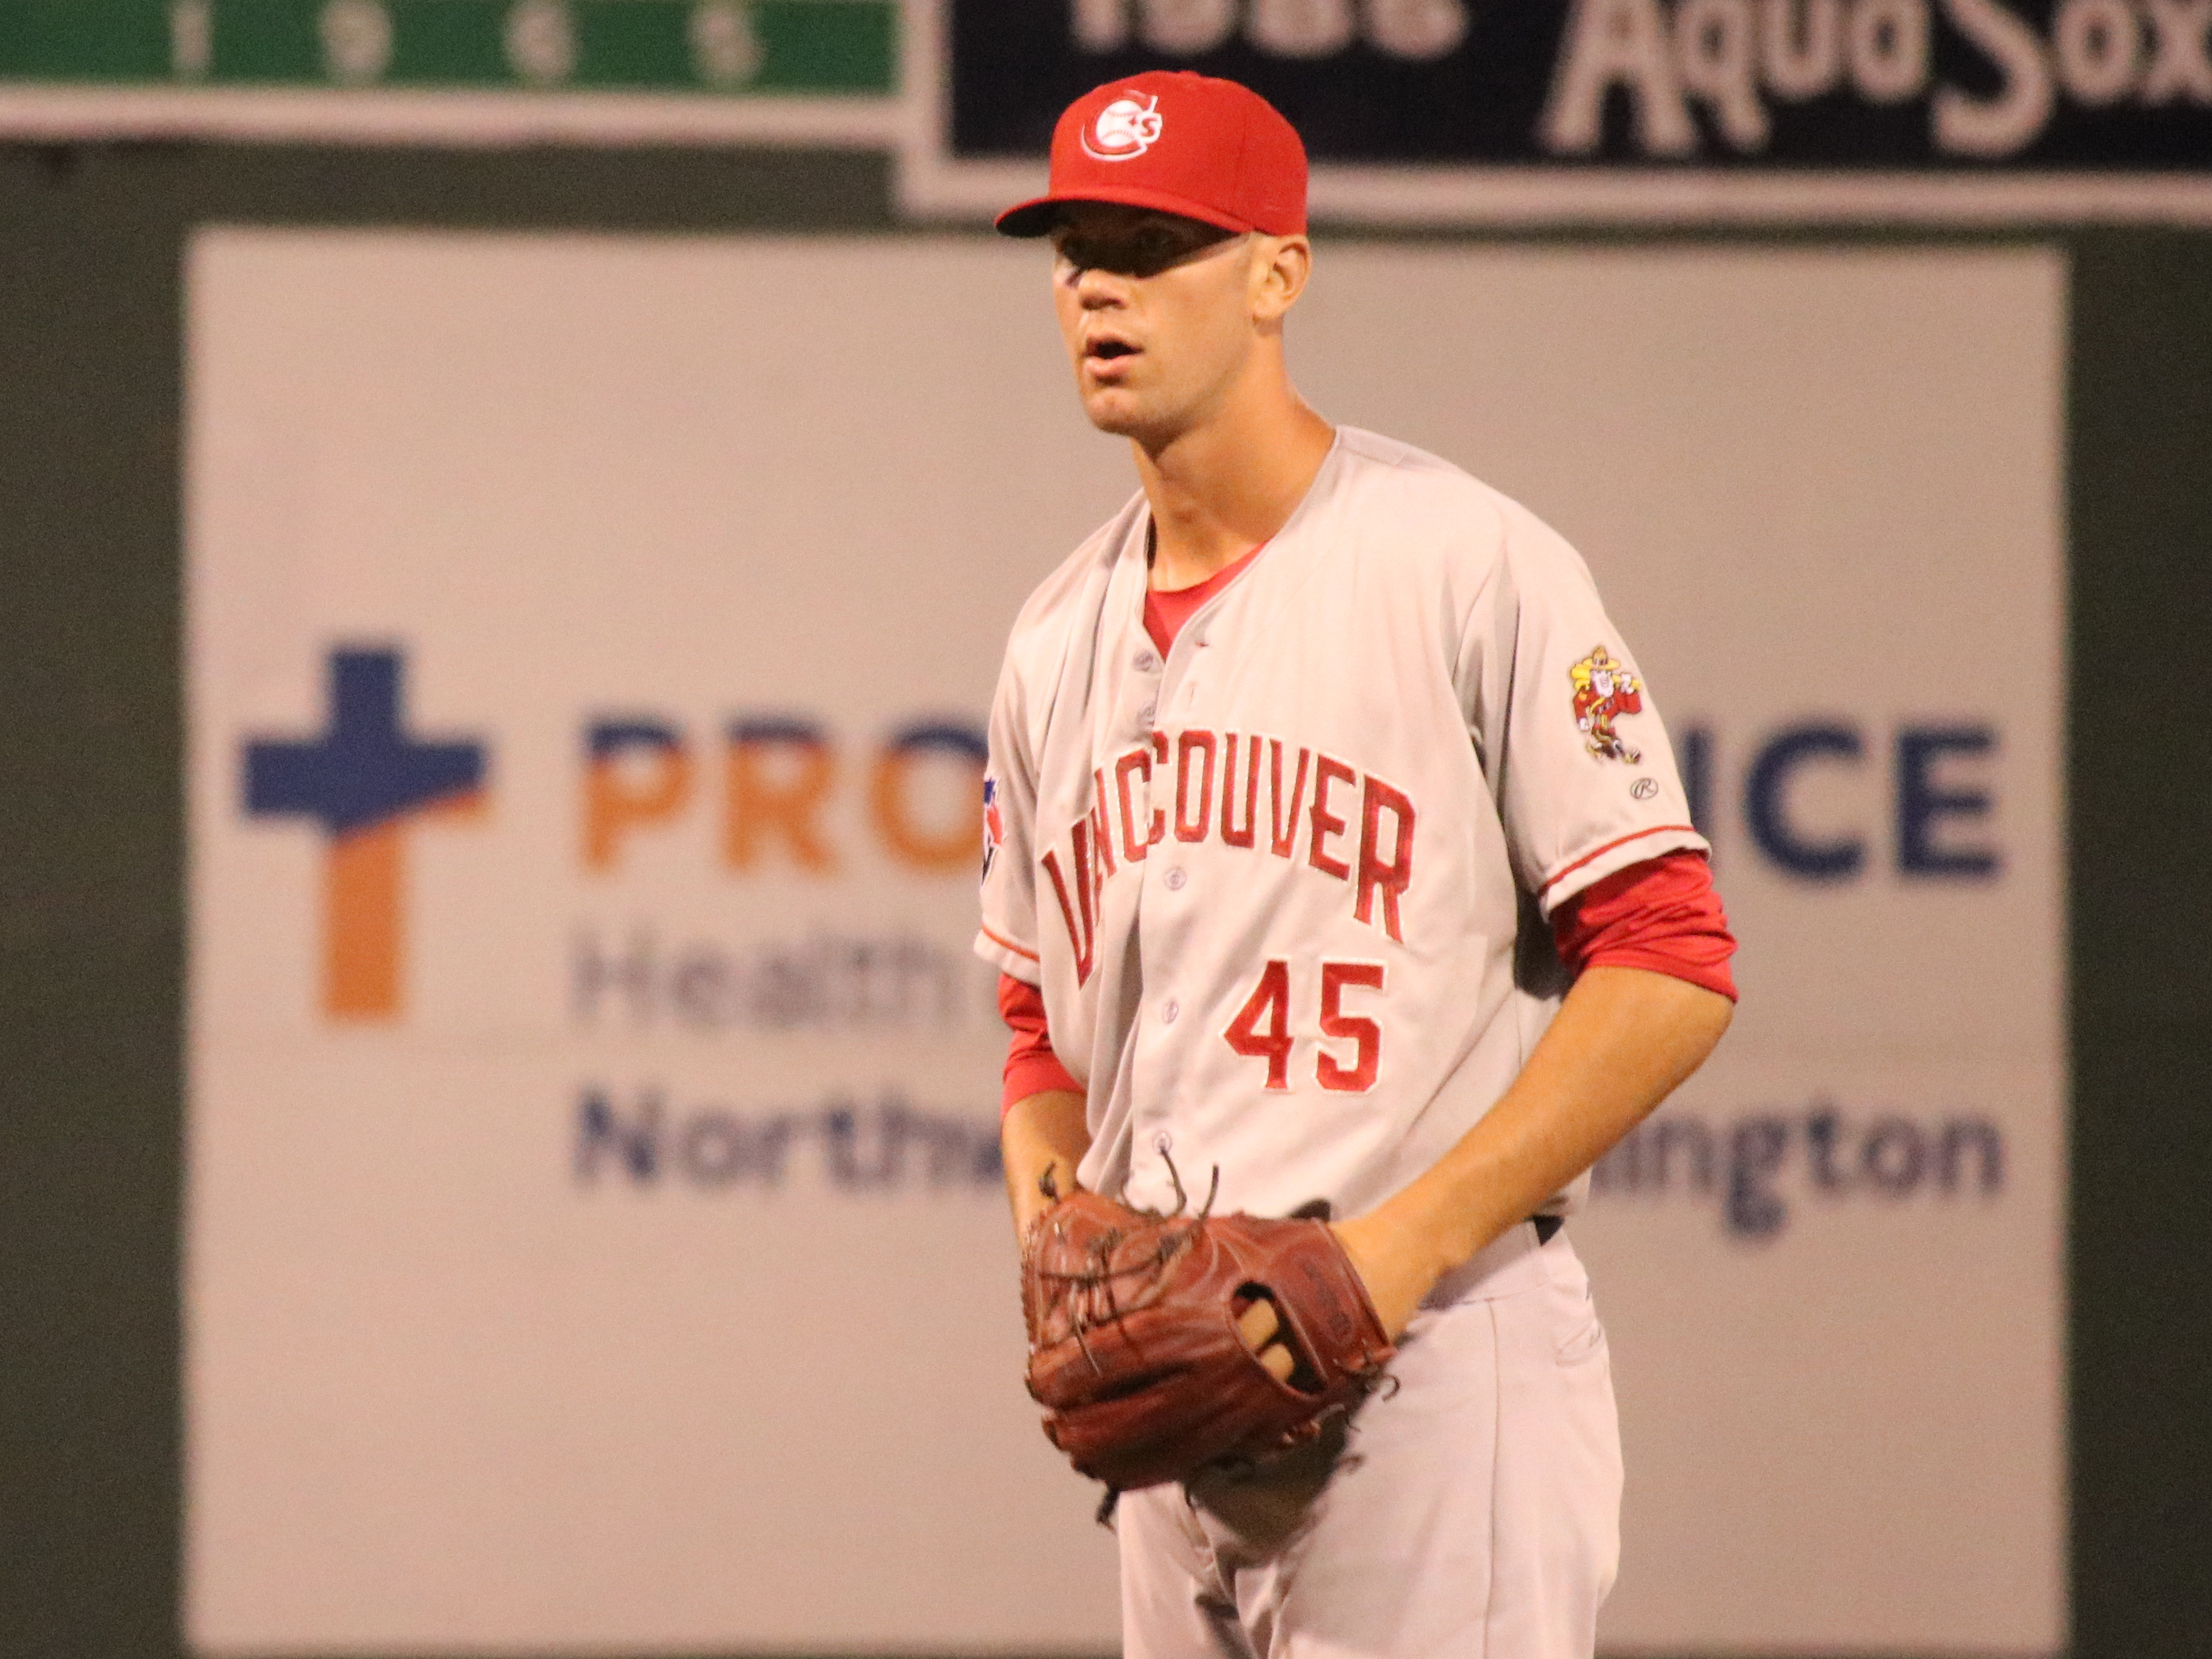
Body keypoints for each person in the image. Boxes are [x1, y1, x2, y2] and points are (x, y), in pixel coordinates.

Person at [975, 69, 1737, 1659]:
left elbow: (1669, 959)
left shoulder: (1463, 563)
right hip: (1181, 1409)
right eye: (1071, 250)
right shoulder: (1054, 639)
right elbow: (1036, 1019)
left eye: (1152, 240)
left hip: (1439, 1370)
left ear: (1277, 273)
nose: (1099, 285)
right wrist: (1060, 1250)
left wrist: (1389, 1256)